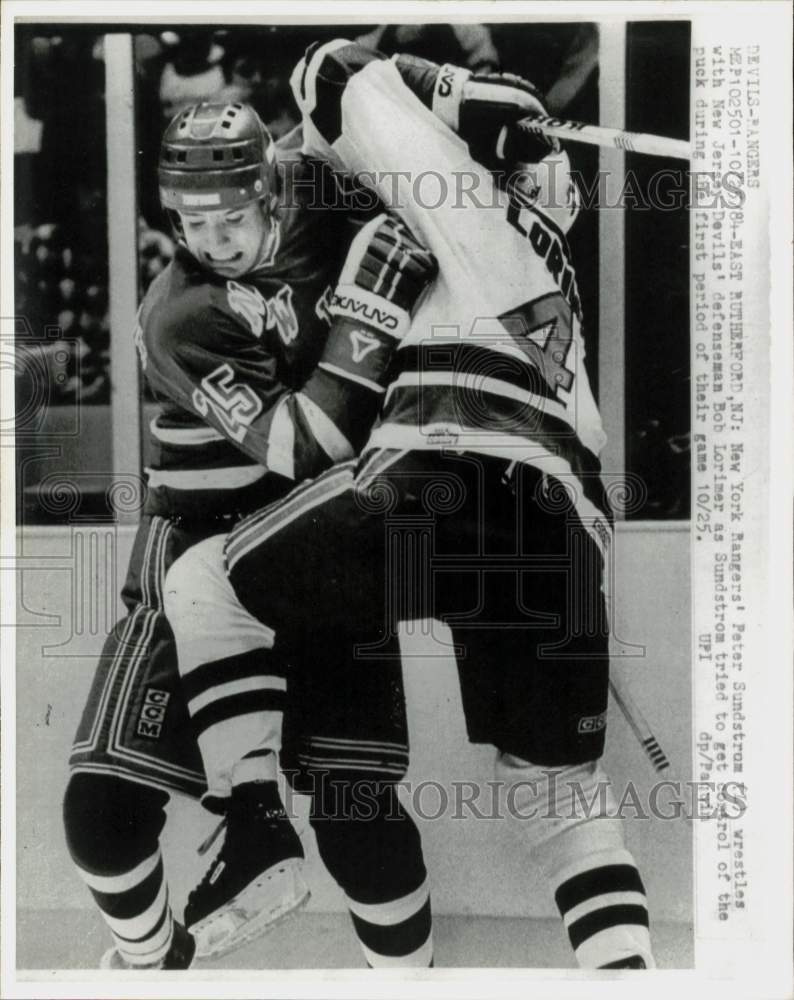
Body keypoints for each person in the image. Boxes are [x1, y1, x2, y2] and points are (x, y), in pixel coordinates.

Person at [165, 40, 655, 969]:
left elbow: (326, 72)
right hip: (566, 530)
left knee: (204, 584)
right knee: (565, 810)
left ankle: (256, 823)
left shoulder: (445, 184)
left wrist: (448, 94)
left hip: (441, 478)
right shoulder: (559, 272)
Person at [62, 100, 438, 969]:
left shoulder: (317, 187)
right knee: (103, 811)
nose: (217, 237)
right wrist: (370, 317)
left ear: (272, 189)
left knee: (359, 815)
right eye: (194, 222)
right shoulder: (181, 314)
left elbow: (371, 106)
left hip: (320, 540)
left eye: (233, 217)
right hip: (201, 537)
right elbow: (309, 445)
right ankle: (158, 965)